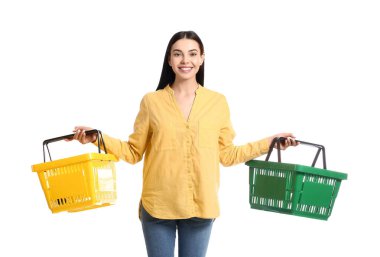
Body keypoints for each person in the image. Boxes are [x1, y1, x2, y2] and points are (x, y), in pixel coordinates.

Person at [71, 31, 298, 257]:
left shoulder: (217, 102)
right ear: (169, 60)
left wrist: (269, 143)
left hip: (201, 205)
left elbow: (227, 155)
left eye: (192, 54)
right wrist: (96, 138)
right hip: (158, 206)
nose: (185, 60)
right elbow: (133, 152)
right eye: (178, 54)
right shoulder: (152, 102)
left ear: (202, 58)